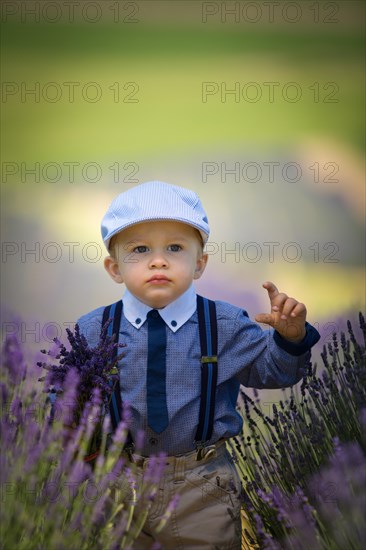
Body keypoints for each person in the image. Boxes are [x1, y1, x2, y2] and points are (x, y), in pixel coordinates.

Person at [77, 180, 320, 549]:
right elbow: (68, 398)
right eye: (139, 249)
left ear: (199, 263)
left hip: (202, 484)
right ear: (114, 267)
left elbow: (275, 372)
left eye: (175, 247)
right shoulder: (93, 329)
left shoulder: (223, 323)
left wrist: (289, 339)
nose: (158, 260)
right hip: (118, 482)